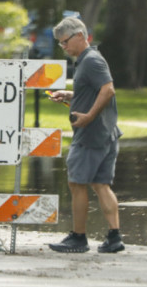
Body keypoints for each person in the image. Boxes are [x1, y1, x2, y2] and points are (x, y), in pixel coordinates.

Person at [46, 17, 124, 253]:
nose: (64, 47)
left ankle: (78, 238)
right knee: (101, 184)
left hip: (90, 135)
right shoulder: (88, 61)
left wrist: (88, 116)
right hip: (106, 133)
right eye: (60, 43)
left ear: (80, 35)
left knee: (76, 183)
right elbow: (94, 91)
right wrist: (69, 96)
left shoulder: (90, 61)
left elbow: (108, 89)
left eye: (65, 41)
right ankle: (114, 237)